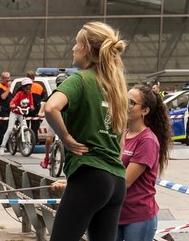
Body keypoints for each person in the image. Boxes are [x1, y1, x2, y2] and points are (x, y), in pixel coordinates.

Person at [44, 21, 129, 241]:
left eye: (76, 43)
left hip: (89, 174)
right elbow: (120, 142)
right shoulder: (117, 88)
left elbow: (51, 107)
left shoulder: (80, 80)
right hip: (116, 182)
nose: (73, 48)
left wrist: (66, 138)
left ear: (88, 49)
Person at [116, 85, 172, 241]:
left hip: (138, 216)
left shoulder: (147, 140)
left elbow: (125, 180)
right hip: (117, 211)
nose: (125, 105)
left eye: (131, 102)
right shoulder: (123, 134)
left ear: (145, 111)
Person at [0, 77, 34, 154]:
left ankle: (27, 146)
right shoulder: (19, 94)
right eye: (27, 89)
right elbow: (12, 101)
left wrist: (31, 107)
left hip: (22, 113)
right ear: (23, 88)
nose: (28, 91)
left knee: (26, 129)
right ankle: (2, 146)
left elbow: (31, 104)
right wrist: (12, 105)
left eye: (29, 89)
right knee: (10, 129)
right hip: (14, 112)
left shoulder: (30, 94)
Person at [40, 72, 68, 169]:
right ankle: (46, 158)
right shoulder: (55, 93)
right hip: (54, 119)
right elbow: (45, 104)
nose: (61, 86)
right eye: (59, 84)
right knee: (48, 139)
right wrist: (40, 112)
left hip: (65, 119)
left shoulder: (70, 93)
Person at [26, 69, 48, 143]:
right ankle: (35, 142)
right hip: (36, 109)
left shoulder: (24, 86)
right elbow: (43, 96)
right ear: (34, 78)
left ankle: (25, 141)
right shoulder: (39, 86)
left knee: (25, 126)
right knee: (34, 127)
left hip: (26, 108)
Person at [0, 71, 12, 150]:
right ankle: (0, 145)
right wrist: (8, 88)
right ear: (2, 79)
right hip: (2, 109)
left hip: (9, 109)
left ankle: (7, 145)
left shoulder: (8, 87)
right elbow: (3, 97)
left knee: (8, 128)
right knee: (2, 128)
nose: (8, 80)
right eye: (6, 78)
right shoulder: (0, 86)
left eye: (9, 78)